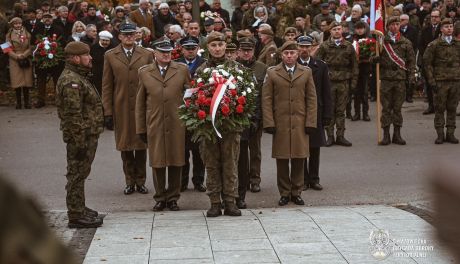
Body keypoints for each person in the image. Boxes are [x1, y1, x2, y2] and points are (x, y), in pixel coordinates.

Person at [135, 39, 190, 211]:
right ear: (155, 54)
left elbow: (189, 97)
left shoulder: (182, 70)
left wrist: (189, 122)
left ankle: (173, 198)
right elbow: (140, 103)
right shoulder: (144, 72)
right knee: (157, 161)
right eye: (162, 52)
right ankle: (160, 197)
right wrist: (141, 128)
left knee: (176, 160)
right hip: (155, 123)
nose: (166, 55)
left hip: (177, 123)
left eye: (169, 52)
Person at [262, 41, 317, 206]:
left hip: (300, 122)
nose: (289, 56)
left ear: (298, 54)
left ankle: (297, 191)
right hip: (281, 123)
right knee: (282, 158)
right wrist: (269, 122)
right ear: (281, 55)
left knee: (300, 158)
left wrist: (310, 122)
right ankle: (284, 192)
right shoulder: (272, 73)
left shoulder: (306, 72)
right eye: (286, 53)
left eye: (292, 53)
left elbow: (312, 99)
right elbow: (266, 99)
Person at [56, 41, 104, 228]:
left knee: (81, 172)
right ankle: (75, 215)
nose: (90, 58)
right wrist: (79, 141)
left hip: (87, 134)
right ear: (76, 58)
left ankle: (79, 207)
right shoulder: (71, 80)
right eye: (87, 55)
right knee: (76, 174)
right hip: (81, 136)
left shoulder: (78, 75)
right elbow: (72, 114)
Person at [102, 21, 153, 195]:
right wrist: (107, 111)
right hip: (121, 107)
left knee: (141, 145)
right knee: (125, 146)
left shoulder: (146, 54)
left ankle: (141, 181)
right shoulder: (110, 55)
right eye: (126, 34)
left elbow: (152, 82)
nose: (129, 37)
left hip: (142, 107)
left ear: (136, 35)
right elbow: (107, 85)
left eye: (132, 34)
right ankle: (129, 181)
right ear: (120, 37)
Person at [195, 31, 243, 217]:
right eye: (213, 46)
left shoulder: (237, 69)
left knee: (230, 163)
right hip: (209, 128)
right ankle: (215, 201)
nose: (217, 49)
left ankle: (230, 200)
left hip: (231, 126)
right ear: (208, 48)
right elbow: (195, 97)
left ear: (225, 46)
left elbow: (245, 96)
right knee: (211, 163)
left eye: (220, 45)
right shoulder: (202, 71)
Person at [235, 37, 267, 209]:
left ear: (254, 51)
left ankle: (255, 179)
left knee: (255, 150)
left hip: (256, 115)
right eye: (243, 50)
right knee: (239, 152)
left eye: (249, 50)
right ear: (238, 51)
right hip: (238, 116)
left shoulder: (262, 68)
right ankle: (242, 180)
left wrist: (260, 117)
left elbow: (264, 95)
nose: (246, 53)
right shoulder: (233, 67)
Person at [297, 35, 332, 191]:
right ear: (297, 47)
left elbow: (326, 92)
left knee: (315, 147)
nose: (304, 50)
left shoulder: (320, 66)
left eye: (307, 47)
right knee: (301, 147)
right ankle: (303, 179)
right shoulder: (293, 65)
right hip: (298, 112)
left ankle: (314, 178)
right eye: (301, 46)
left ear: (312, 47)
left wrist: (327, 115)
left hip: (316, 111)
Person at [316, 21, 358, 147]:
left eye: (339, 29)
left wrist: (354, 83)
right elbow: (318, 64)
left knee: (341, 110)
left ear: (342, 30)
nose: (337, 31)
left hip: (344, 82)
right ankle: (329, 136)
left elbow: (354, 66)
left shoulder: (349, 46)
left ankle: (340, 135)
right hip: (328, 82)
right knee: (329, 110)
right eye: (334, 29)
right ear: (330, 31)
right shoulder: (324, 46)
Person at [378, 16, 416, 145]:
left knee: (397, 108)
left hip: (400, 79)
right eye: (392, 24)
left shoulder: (406, 42)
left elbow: (411, 62)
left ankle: (397, 134)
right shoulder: (381, 42)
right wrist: (375, 59)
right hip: (386, 79)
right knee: (386, 108)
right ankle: (386, 135)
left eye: (397, 24)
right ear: (388, 26)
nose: (395, 26)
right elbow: (371, 58)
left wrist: (411, 77)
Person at [176, 36, 206, 192]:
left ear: (197, 48)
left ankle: (199, 181)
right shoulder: (176, 65)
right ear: (182, 49)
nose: (190, 51)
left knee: (199, 151)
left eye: (193, 48)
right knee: (182, 150)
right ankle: (182, 181)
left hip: (199, 111)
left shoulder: (204, 64)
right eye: (187, 48)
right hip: (181, 111)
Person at [423, 18, 460, 144]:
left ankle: (450, 134)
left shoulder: (458, 44)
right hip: (440, 81)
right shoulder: (434, 45)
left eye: (450, 26)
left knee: (452, 108)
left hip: (455, 81)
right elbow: (427, 64)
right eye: (446, 27)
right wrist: (432, 81)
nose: (449, 28)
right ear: (441, 29)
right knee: (439, 109)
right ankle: (440, 134)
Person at [33, 13, 65, 108]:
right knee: (41, 80)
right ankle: (41, 100)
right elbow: (33, 42)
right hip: (41, 58)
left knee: (57, 79)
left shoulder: (58, 29)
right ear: (42, 19)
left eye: (49, 18)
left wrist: (56, 49)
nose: (47, 19)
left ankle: (58, 100)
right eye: (45, 18)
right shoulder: (38, 28)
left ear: (52, 19)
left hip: (56, 58)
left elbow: (63, 42)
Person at [6, 17, 33, 109]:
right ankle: (18, 103)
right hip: (14, 60)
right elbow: (6, 49)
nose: (18, 25)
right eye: (16, 24)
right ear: (13, 25)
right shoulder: (9, 35)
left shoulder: (27, 33)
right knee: (17, 82)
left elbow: (31, 47)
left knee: (26, 82)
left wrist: (24, 55)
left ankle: (27, 102)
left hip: (26, 58)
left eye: (19, 23)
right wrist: (16, 56)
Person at [419, 9, 441, 115]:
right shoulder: (425, 30)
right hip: (428, 63)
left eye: (436, 16)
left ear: (440, 18)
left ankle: (441, 106)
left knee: (441, 85)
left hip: (440, 63)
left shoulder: (443, 29)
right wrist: (427, 58)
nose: (434, 18)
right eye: (432, 16)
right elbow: (421, 45)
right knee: (428, 85)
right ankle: (431, 106)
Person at [351, 21, 372, 121]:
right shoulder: (352, 39)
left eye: (361, 28)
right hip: (354, 69)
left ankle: (365, 113)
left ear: (364, 29)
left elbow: (372, 53)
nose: (359, 30)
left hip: (365, 69)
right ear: (355, 29)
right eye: (357, 28)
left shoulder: (369, 39)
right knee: (356, 92)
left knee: (364, 91)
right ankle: (356, 113)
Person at [90, 30, 114, 95]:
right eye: (103, 40)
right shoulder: (94, 48)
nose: (105, 42)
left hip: (110, 75)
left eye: (107, 41)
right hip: (97, 75)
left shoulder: (113, 48)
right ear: (100, 40)